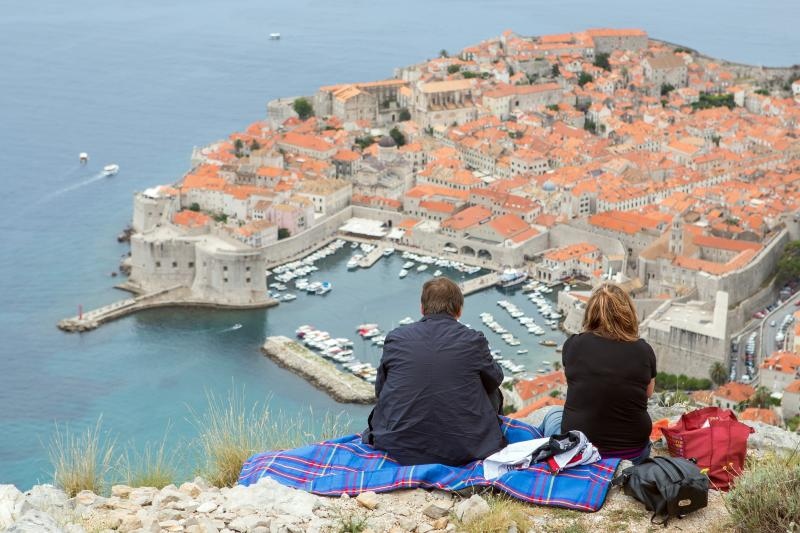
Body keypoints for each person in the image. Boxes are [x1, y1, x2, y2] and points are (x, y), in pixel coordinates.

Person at [362, 277, 506, 466]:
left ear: (422, 309)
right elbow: (496, 379)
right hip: (466, 449)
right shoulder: (473, 340)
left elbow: (380, 391)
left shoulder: (396, 338)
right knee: (493, 390)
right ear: (459, 310)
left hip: (398, 447)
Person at [542, 283, 656, 465]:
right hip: (633, 453)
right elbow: (648, 392)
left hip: (579, 451)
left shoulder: (573, 345)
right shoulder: (644, 350)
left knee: (553, 414)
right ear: (628, 314)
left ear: (590, 314)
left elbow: (577, 384)